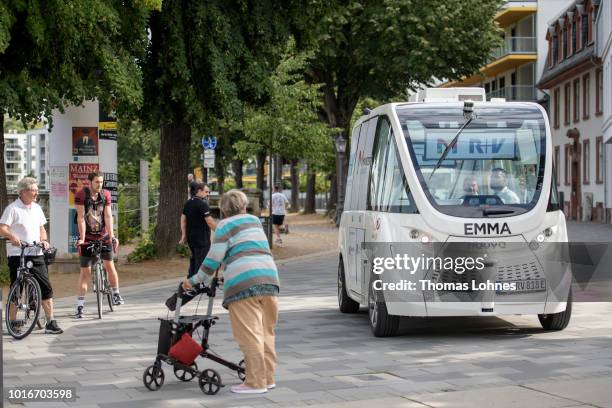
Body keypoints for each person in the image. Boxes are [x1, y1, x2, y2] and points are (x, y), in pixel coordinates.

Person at [182, 190, 280, 394]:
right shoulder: (254, 221)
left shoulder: (224, 225)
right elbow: (249, 250)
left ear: (224, 210)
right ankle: (268, 378)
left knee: (250, 335)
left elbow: (212, 260)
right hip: (270, 279)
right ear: (244, 206)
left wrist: (193, 281)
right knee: (266, 333)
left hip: (244, 286)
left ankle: (255, 383)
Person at [0, 177, 63, 334]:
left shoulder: (37, 208)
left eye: (36, 190)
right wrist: (13, 238)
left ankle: (50, 322)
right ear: (23, 191)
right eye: (33, 190)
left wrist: (44, 240)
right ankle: (13, 321)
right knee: (17, 287)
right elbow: (2, 228)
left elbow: (41, 228)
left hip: (36, 252)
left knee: (45, 286)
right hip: (18, 254)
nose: (36, 193)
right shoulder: (12, 209)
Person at [74, 171, 123, 318]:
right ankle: (80, 306)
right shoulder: (81, 195)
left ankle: (116, 293)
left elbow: (108, 216)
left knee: (109, 265)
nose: (99, 184)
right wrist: (82, 238)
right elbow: (81, 218)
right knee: (85, 273)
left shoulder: (105, 194)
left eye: (101, 182)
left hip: (103, 236)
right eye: (97, 182)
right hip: (88, 237)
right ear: (89, 182)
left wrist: (112, 236)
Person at [179, 182, 216, 278]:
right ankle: (196, 283)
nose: (208, 194)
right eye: (206, 192)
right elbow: (210, 221)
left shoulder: (188, 203)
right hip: (201, 238)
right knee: (201, 261)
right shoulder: (202, 204)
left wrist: (183, 235)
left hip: (191, 238)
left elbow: (183, 219)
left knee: (194, 258)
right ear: (199, 191)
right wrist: (221, 231)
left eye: (209, 192)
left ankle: (190, 279)